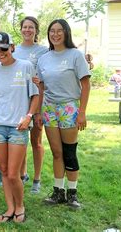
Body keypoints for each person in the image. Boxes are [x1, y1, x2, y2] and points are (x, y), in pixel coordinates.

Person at [37, 19, 91, 209]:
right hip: (49, 109)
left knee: (69, 153)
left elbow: (85, 84)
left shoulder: (75, 55)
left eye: (60, 31)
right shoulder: (44, 58)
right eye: (52, 31)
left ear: (66, 33)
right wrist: (38, 112)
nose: (56, 34)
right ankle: (58, 192)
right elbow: (41, 87)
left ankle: (72, 194)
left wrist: (82, 112)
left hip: (69, 108)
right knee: (56, 152)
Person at [0, 32, 39, 223]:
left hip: (18, 126)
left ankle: (20, 206)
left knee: (13, 172)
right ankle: (9, 208)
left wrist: (29, 117)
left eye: (4, 48)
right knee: (3, 171)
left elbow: (35, 95)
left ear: (12, 47)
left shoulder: (26, 66)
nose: (1, 53)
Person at [13, 16, 49, 193]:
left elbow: (48, 74)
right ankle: (22, 174)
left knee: (36, 141)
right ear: (21, 30)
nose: (27, 30)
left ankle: (37, 179)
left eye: (31, 27)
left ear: (36, 30)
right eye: (25, 27)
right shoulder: (14, 50)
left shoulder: (43, 51)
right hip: (19, 101)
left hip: (36, 100)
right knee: (20, 141)